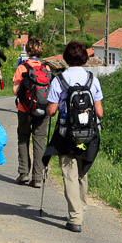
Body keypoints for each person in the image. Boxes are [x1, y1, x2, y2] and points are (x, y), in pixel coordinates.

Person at [43, 41, 104, 233]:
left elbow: (51, 111)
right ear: (85, 58)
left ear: (66, 58)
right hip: (87, 136)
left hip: (66, 135)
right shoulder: (92, 79)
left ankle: (75, 216)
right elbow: (99, 112)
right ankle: (81, 209)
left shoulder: (59, 80)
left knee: (69, 174)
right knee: (82, 171)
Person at [11, 37, 50, 187]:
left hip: (25, 109)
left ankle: (23, 173)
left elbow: (15, 91)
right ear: (40, 51)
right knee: (39, 141)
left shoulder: (22, 67)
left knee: (23, 138)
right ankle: (37, 178)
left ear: (28, 50)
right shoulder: (46, 68)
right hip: (43, 109)